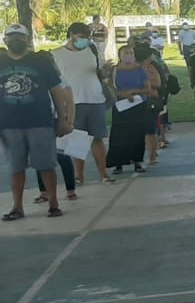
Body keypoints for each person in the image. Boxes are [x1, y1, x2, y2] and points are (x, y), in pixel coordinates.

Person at [0, 24, 74, 221]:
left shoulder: (40, 61)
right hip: (9, 124)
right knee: (15, 167)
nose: (16, 40)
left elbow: (56, 91)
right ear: (5, 39)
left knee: (46, 164)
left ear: (27, 39)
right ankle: (17, 207)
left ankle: (53, 203)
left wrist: (63, 120)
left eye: (20, 37)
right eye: (11, 36)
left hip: (40, 121)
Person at [51, 22, 113, 185]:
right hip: (72, 102)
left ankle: (104, 173)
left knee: (97, 138)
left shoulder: (92, 50)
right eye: (81, 37)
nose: (84, 40)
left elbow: (100, 71)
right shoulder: (56, 54)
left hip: (95, 98)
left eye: (86, 37)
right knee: (78, 140)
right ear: (71, 35)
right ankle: (79, 176)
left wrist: (105, 72)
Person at [105, 44, 159, 175]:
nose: (128, 56)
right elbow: (110, 88)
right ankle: (118, 163)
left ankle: (137, 161)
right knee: (119, 134)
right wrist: (122, 94)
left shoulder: (141, 70)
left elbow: (148, 89)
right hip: (120, 105)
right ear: (120, 56)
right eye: (125, 53)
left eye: (130, 53)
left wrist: (133, 92)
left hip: (138, 105)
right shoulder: (114, 70)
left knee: (137, 134)